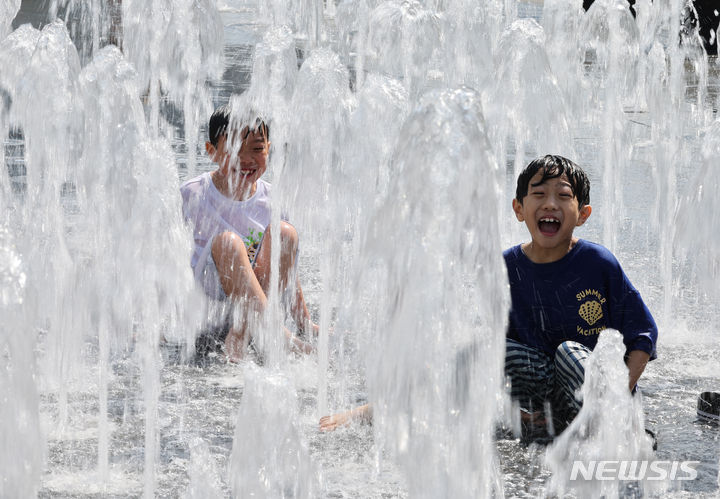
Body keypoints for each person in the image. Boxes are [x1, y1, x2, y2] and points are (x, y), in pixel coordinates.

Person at [504, 154, 658, 436]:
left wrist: (619, 399)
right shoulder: (507, 268)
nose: (550, 203)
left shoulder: (597, 262)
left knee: (568, 353)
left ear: (583, 214)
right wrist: (515, 412)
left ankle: (609, 426)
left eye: (563, 196)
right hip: (547, 395)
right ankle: (543, 419)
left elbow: (643, 336)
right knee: (484, 351)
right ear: (519, 208)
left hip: (593, 388)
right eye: (538, 194)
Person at [180, 104, 317, 361]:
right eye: (233, 149)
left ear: (268, 148)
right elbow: (163, 255)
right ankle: (277, 335)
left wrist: (305, 322)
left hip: (252, 302)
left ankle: (239, 337)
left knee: (285, 233)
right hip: (212, 303)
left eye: (256, 149)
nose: (246, 160)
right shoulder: (193, 194)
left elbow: (288, 270)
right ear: (211, 152)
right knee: (229, 243)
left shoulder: (272, 200)